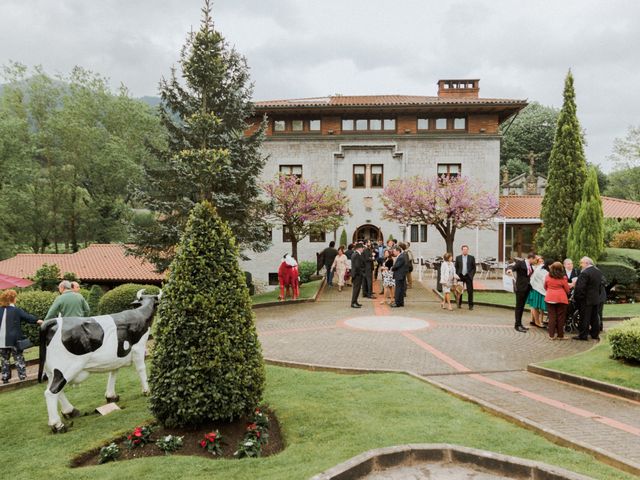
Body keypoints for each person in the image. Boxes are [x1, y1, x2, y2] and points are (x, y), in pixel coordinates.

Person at [0, 290, 43, 384]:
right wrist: (37, 321)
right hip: (14, 339)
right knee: (18, 357)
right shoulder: (16, 310)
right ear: (13, 299)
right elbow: (27, 317)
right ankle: (22, 376)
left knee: (4, 359)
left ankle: (5, 378)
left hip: (1, 339)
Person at [573, 256, 604, 341]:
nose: (580, 265)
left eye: (581, 263)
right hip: (595, 298)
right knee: (594, 317)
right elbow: (600, 286)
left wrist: (578, 298)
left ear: (587, 263)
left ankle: (583, 335)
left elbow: (580, 288)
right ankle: (595, 334)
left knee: (584, 318)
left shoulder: (585, 273)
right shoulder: (598, 272)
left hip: (586, 299)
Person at [544, 262, 571, 340]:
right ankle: (560, 335)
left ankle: (551, 335)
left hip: (549, 298)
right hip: (561, 299)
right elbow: (567, 289)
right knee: (561, 318)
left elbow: (545, 286)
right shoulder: (563, 277)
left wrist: (550, 291)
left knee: (552, 317)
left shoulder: (547, 276)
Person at [512, 252, 537, 332]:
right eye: (535, 259)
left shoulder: (530, 266)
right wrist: (509, 271)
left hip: (526, 288)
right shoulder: (521, 263)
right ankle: (517, 325)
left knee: (522, 307)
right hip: (520, 288)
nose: (535, 261)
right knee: (518, 307)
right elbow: (511, 267)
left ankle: (520, 324)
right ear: (531, 258)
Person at [527, 257, 550, 328]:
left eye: (542, 261)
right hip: (535, 288)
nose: (541, 262)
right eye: (539, 261)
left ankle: (539, 321)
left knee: (539, 305)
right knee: (535, 305)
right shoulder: (540, 269)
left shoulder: (543, 269)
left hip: (539, 289)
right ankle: (536, 321)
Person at [455, 245, 476, 310]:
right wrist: (457, 276)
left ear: (468, 250)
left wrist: (471, 275)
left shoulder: (471, 257)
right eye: (464, 249)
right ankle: (459, 304)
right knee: (459, 291)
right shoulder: (458, 257)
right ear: (462, 250)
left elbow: (474, 268)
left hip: (468, 276)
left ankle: (470, 305)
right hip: (460, 276)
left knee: (470, 291)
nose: (465, 251)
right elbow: (456, 267)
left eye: (466, 249)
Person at [350, 243, 366, 308]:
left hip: (357, 274)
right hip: (357, 275)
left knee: (357, 289)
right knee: (356, 289)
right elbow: (357, 266)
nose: (363, 249)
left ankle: (355, 301)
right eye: (362, 248)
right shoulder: (356, 255)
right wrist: (362, 273)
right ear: (359, 248)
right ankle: (353, 303)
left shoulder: (356, 254)